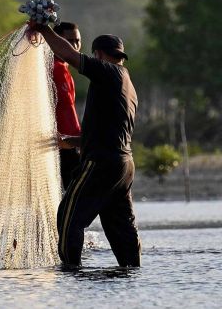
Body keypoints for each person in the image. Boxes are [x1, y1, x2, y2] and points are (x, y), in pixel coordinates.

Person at [29, 23, 141, 269]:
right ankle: (132, 271)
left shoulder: (108, 72)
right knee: (120, 225)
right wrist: (69, 141)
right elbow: (109, 131)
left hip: (101, 164)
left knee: (68, 217)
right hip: (123, 166)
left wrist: (43, 29)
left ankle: (71, 271)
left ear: (99, 54)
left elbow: (69, 55)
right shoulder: (127, 83)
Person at [52, 22, 83, 190]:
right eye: (70, 41)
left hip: (73, 143)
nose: (75, 46)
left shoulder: (64, 68)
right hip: (60, 144)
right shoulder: (53, 68)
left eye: (77, 40)